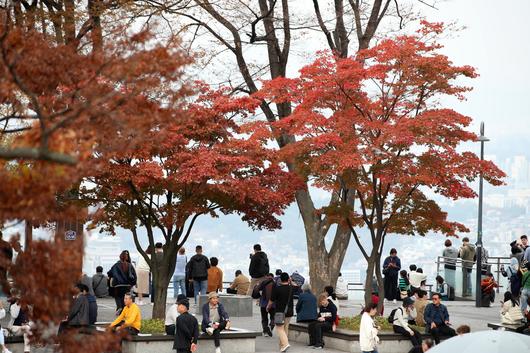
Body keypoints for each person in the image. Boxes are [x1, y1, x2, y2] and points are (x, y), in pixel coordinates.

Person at [268, 272, 294, 352]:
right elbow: (293, 284)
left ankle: (285, 344)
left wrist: (268, 306)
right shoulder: (291, 288)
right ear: (288, 279)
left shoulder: (277, 288)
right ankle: (282, 347)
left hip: (280, 312)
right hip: (289, 312)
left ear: (280, 279)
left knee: (279, 328)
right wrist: (290, 281)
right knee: (285, 328)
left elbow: (272, 300)